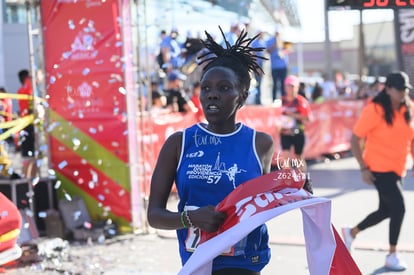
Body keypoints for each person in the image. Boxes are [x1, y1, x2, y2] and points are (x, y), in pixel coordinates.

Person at [147, 27, 274, 274]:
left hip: (245, 266)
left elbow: (263, 208)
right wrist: (189, 219)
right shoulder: (179, 143)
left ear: (243, 96)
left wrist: (294, 190)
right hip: (199, 266)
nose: (212, 95)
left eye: (224, 88)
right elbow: (154, 215)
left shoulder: (260, 144)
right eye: (206, 88)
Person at [342, 71, 414, 271]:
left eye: (405, 90)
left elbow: (412, 138)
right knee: (399, 208)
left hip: (398, 167)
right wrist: (363, 168)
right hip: (378, 167)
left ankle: (351, 233)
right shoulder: (375, 109)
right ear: (389, 89)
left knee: (386, 210)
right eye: (399, 90)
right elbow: (355, 139)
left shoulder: (408, 108)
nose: (403, 94)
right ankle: (392, 255)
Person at [278, 75, 312, 172]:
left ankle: (304, 180)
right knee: (285, 156)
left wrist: (293, 115)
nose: (290, 89)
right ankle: (288, 180)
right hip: (285, 132)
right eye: (288, 86)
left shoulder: (300, 101)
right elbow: (278, 115)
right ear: (285, 87)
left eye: (292, 86)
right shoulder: (282, 100)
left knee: (299, 158)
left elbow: (308, 118)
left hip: (298, 132)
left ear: (297, 87)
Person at [16, 69, 36, 178]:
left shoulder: (22, 90)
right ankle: (28, 180)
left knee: (31, 157)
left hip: (27, 124)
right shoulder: (25, 90)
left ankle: (30, 180)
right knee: (30, 157)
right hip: (28, 125)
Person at [266, 27, 288, 101]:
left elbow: (288, 50)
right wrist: (275, 43)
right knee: (275, 84)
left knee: (283, 85)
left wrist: (282, 51)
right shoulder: (270, 40)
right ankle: (274, 99)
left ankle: (284, 100)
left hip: (283, 66)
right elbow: (268, 51)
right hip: (274, 67)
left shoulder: (284, 40)